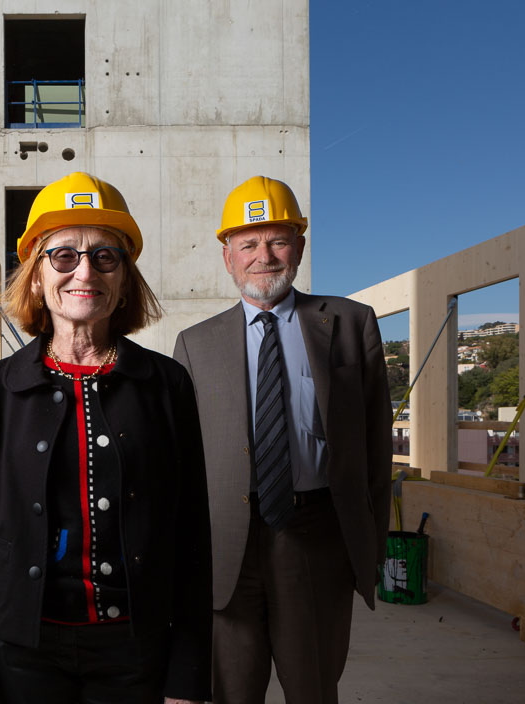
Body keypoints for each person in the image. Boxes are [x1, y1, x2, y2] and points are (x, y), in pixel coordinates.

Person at [0, 172, 212, 704]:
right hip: (22, 651)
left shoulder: (166, 384)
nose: (84, 271)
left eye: (105, 257)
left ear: (124, 280)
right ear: (38, 277)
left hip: (135, 651)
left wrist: (188, 676)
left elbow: (192, 538)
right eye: (63, 256)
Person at [173, 175, 392, 704]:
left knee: (313, 687)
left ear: (298, 245)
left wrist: (370, 541)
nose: (263, 256)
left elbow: (375, 446)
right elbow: (177, 465)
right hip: (225, 546)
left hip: (316, 537)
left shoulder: (350, 323)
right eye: (248, 243)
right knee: (230, 691)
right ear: (228, 256)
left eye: (277, 240)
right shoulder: (195, 344)